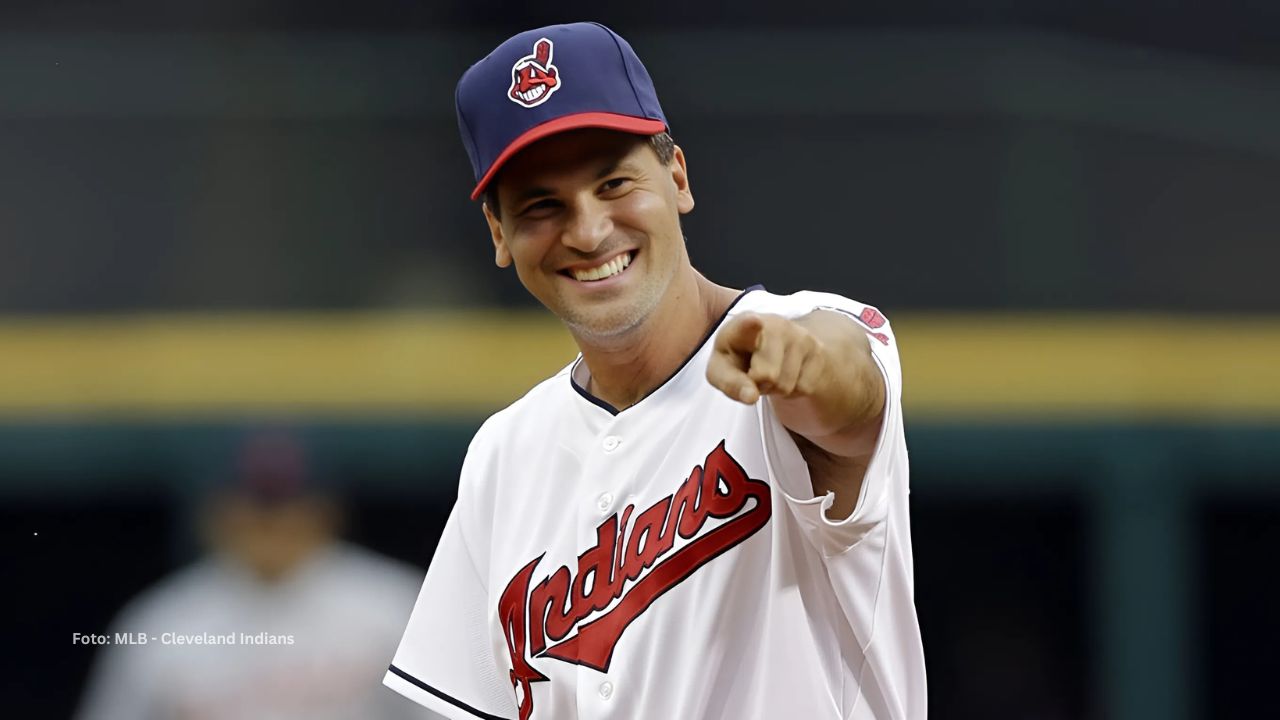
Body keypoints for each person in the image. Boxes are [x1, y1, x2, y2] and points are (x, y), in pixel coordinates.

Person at [384, 22, 925, 720]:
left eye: (614, 183)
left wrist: (806, 365)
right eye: (542, 205)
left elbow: (847, 391)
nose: (586, 230)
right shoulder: (504, 452)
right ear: (498, 234)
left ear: (677, 177)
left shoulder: (798, 336)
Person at [76, 431, 433, 720]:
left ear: (325, 511)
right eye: (255, 504)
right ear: (214, 514)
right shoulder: (160, 624)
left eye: (286, 504)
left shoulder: (395, 605)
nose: (270, 522)